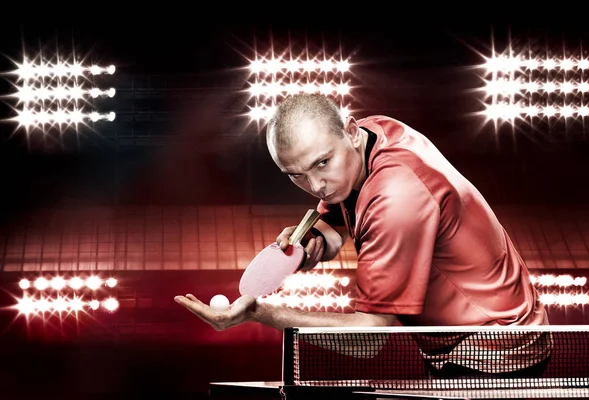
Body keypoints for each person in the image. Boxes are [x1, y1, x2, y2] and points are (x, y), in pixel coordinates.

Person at [174, 93, 552, 377]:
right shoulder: (376, 134)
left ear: (350, 131)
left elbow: (370, 336)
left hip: (497, 352)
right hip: (463, 341)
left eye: (322, 163)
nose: (316, 185)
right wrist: (316, 241)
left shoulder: (397, 196)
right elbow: (341, 219)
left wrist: (262, 312)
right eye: (296, 175)